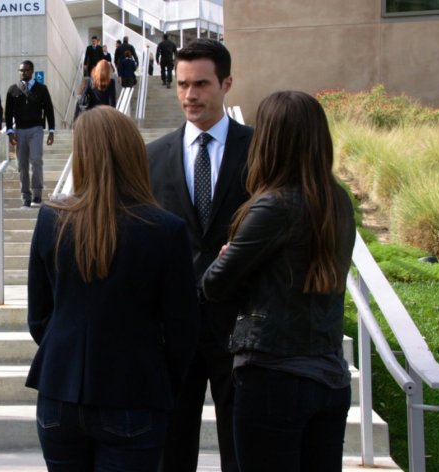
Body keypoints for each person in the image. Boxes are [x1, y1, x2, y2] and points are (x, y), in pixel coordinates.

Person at [26, 106, 199, 472]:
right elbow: (183, 329)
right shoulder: (166, 229)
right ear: (134, 153)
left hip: (60, 391)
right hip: (135, 390)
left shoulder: (51, 219)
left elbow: (39, 318)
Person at [201, 90, 355, 472]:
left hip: (273, 377)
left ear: (270, 140)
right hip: (329, 375)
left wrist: (225, 256)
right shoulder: (338, 201)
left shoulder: (275, 206)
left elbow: (214, 284)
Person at [146, 38, 252, 472]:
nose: (190, 95)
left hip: (240, 325)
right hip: (173, 327)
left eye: (202, 84)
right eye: (183, 84)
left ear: (226, 83)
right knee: (173, 446)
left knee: (240, 444)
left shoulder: (259, 150)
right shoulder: (153, 156)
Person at [5, 60, 55, 207]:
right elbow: (8, 113)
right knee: (22, 165)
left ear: (32, 71)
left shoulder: (41, 89)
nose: (23, 73)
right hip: (19, 130)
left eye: (26, 70)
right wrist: (9, 131)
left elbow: (49, 110)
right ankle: (25, 195)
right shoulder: (12, 89)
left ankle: (37, 194)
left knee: (36, 160)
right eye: (21, 70)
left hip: (36, 130)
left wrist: (51, 130)